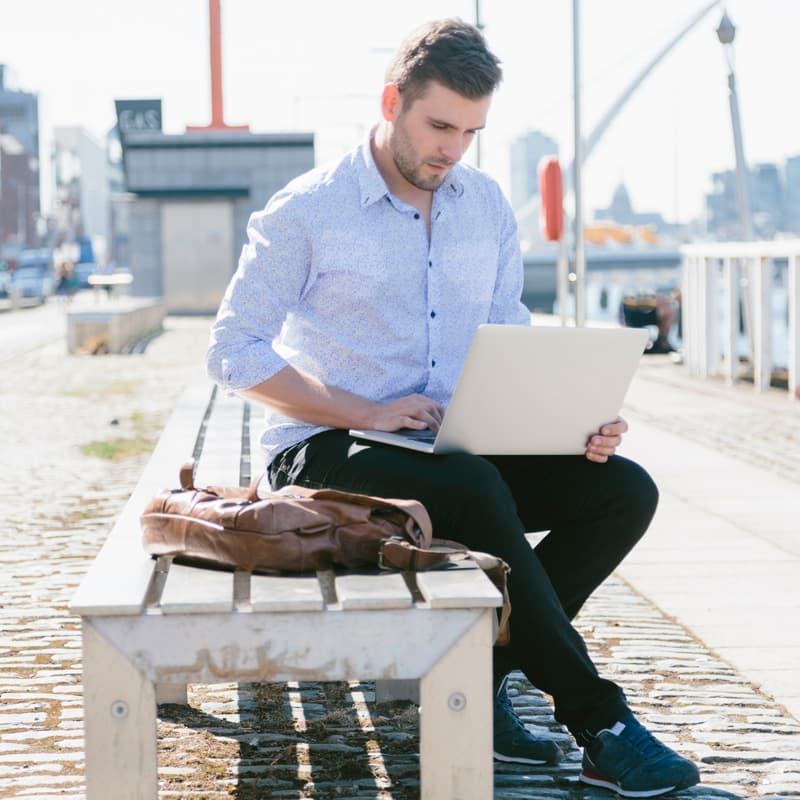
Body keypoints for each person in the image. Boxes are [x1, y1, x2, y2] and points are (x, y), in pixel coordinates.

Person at [207, 19, 700, 798]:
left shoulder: (485, 207)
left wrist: (569, 420)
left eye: (471, 132)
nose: (452, 149)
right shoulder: (308, 210)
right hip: (325, 447)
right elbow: (233, 352)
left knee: (622, 490)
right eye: (439, 125)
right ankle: (598, 722)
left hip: (453, 445)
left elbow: (508, 334)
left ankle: (485, 670)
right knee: (474, 486)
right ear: (391, 102)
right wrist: (362, 410)